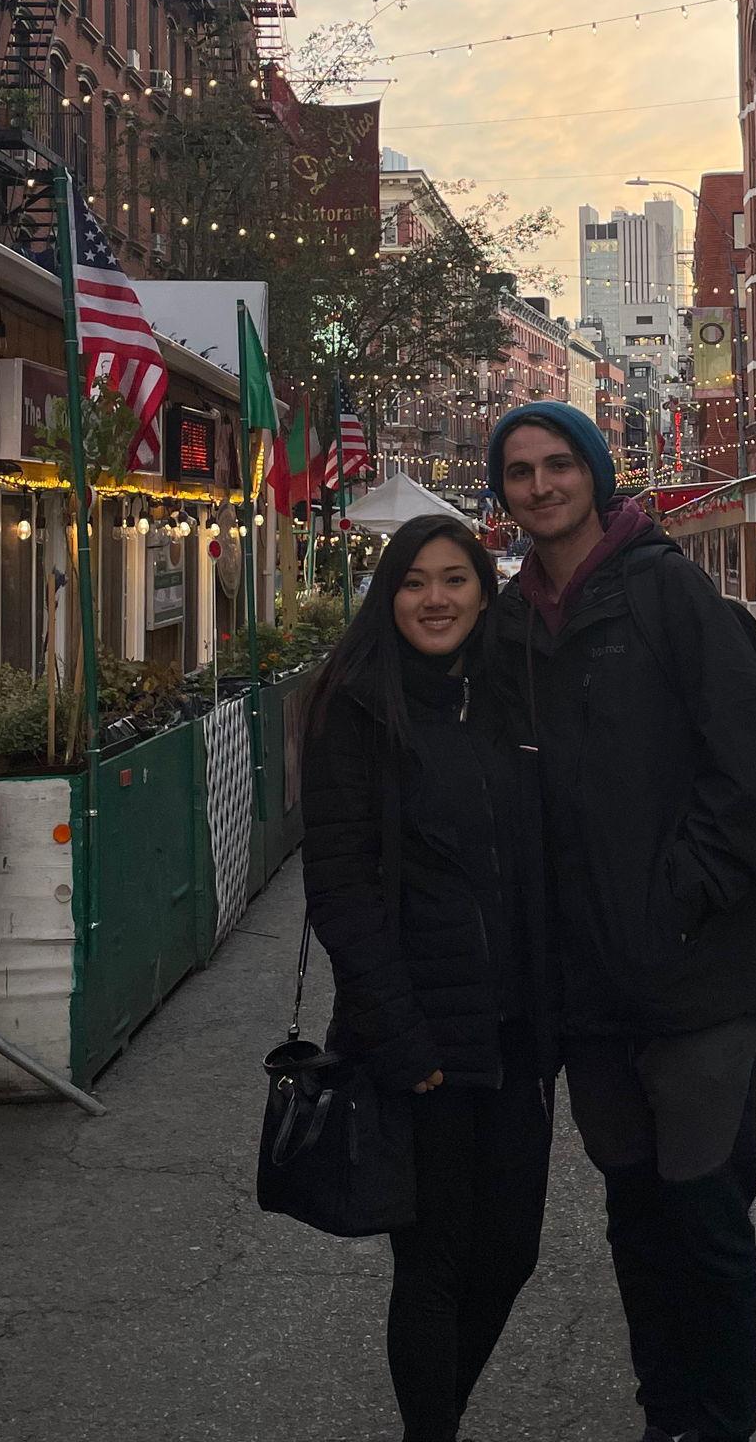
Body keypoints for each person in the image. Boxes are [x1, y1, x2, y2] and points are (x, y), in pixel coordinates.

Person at [483, 402, 756, 1442]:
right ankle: (666, 1410)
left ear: (596, 472)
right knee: (632, 1212)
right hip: (588, 987)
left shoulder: (669, 593)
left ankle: (715, 1424)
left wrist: (679, 893)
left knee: (703, 1214)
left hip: (694, 974)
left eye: (557, 463)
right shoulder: (512, 621)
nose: (539, 485)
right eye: (520, 470)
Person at [301, 513, 554, 1442]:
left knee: (513, 1252)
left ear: (485, 594)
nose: (436, 599)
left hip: (517, 1029)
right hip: (421, 1039)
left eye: (455, 580)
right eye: (415, 581)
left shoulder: (503, 697)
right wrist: (401, 1039)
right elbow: (340, 890)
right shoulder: (355, 704)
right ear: (388, 594)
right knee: (437, 1260)